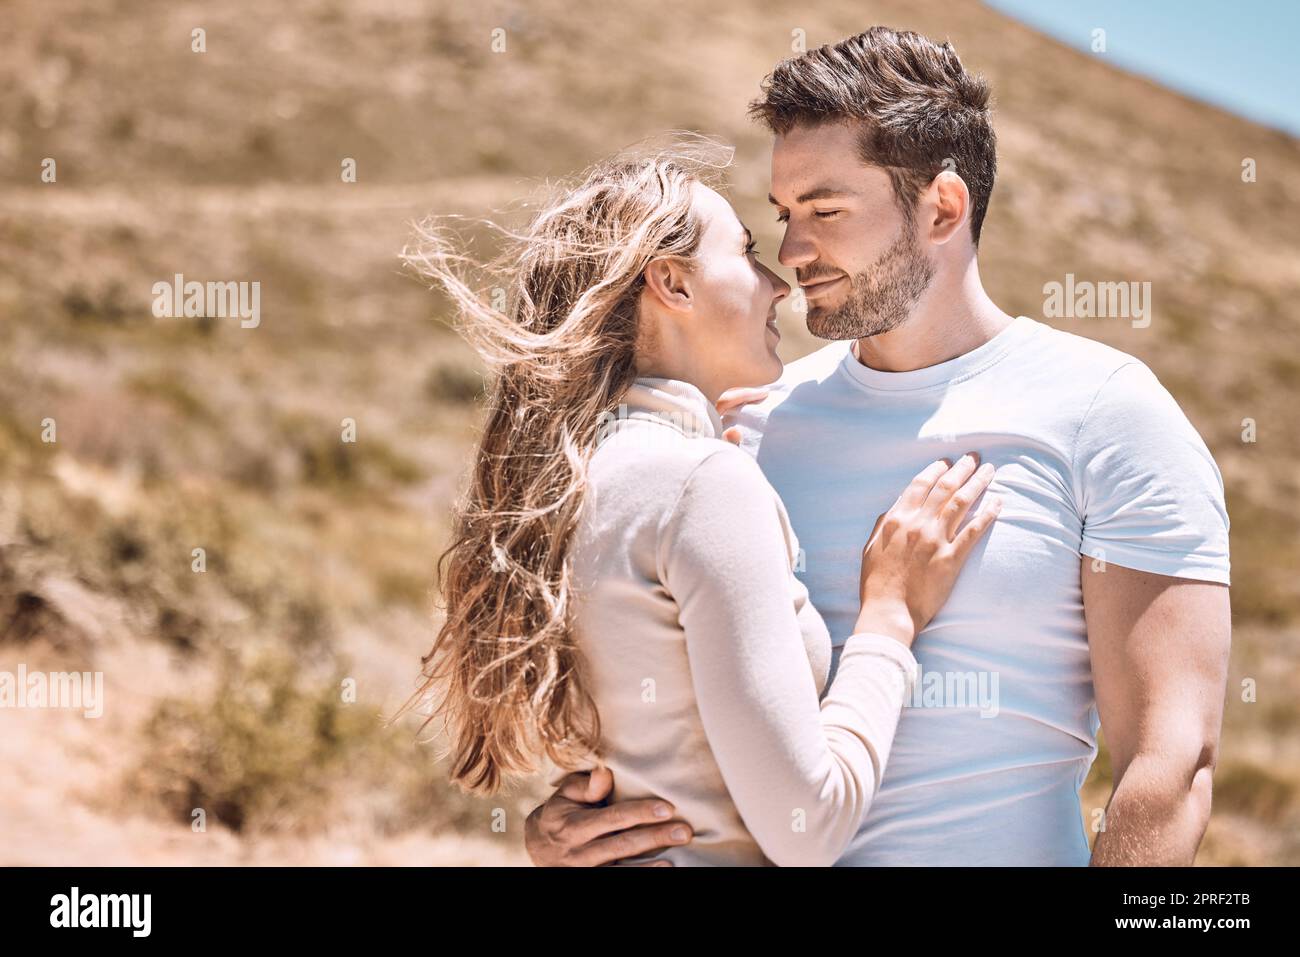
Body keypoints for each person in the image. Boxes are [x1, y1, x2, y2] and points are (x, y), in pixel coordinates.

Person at [525, 26, 1231, 867]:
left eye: (825, 210)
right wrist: (571, 825)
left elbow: (1170, 763)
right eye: (783, 216)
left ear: (942, 206)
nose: (791, 254)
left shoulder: (1108, 415)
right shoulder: (747, 426)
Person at [399, 147, 1001, 866]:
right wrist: (891, 616)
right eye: (746, 254)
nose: (778, 284)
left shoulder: (576, 479)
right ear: (672, 284)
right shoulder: (700, 482)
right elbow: (807, 827)